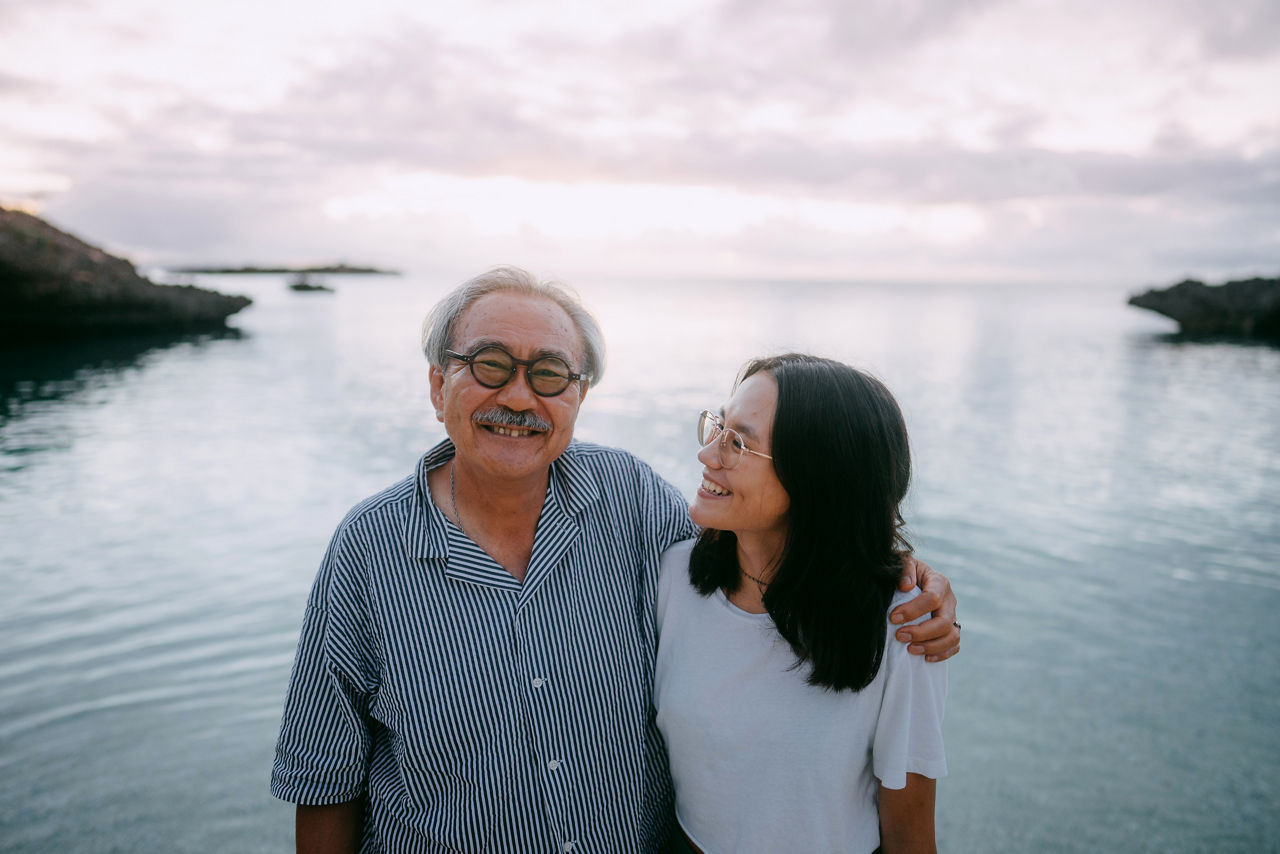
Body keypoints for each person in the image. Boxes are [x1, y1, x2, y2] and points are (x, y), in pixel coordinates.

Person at [271, 268, 960, 853]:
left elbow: (781, 536)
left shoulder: (632, 504)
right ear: (435, 385)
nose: (518, 397)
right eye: (488, 365)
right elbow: (324, 782)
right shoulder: (366, 551)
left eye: (548, 374)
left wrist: (901, 574)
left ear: (578, 397)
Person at [655, 353, 948, 854]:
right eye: (717, 427)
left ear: (818, 478)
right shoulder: (673, 576)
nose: (707, 454)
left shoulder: (902, 624)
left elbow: (909, 833)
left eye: (738, 443)